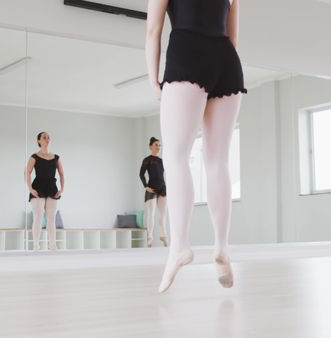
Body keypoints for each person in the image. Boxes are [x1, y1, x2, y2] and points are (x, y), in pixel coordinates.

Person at [146, 0, 246, 292]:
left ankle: (179, 245)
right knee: (217, 160)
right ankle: (221, 247)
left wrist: (154, 81)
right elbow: (233, 37)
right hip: (226, 61)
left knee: (176, 157)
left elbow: (154, 29)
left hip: (187, 53)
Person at [25, 132, 65, 251]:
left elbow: (62, 174)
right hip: (38, 187)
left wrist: (62, 189)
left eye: (48, 137)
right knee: (37, 217)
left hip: (52, 187)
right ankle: (36, 245)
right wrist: (30, 188)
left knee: (51, 218)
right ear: (39, 141)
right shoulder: (34, 157)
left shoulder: (56, 157)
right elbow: (27, 172)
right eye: (44, 137)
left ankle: (52, 245)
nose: (47, 139)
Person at [139, 137, 168, 248]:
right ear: (150, 146)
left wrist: (167, 187)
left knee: (163, 214)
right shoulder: (147, 160)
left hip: (162, 189)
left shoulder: (162, 161)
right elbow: (141, 174)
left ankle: (163, 235)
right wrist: (146, 186)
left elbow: (165, 175)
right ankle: (150, 237)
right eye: (156, 145)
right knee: (151, 214)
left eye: (160, 145)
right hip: (151, 189)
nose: (158, 147)